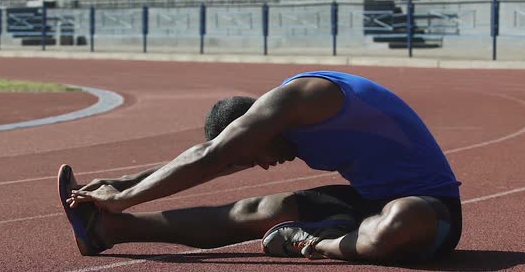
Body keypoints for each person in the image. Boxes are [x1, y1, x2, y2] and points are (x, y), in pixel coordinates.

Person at [58, 70, 462, 264]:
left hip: (431, 209)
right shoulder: (275, 129)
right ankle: (107, 231)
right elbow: (206, 162)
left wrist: (125, 196)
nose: (265, 166)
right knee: (255, 210)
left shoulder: (300, 99)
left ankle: (311, 242)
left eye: (255, 156)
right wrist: (117, 185)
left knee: (400, 221)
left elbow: (210, 158)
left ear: (253, 128)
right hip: (366, 202)